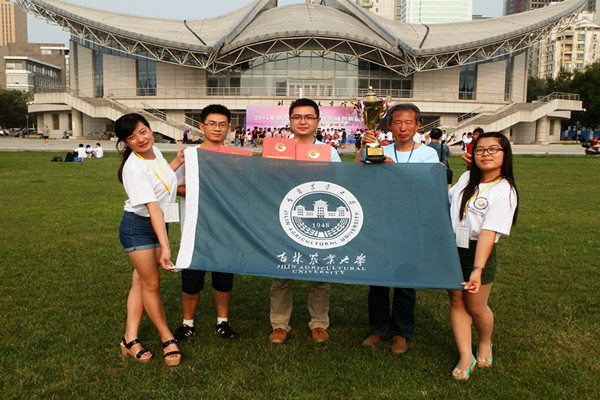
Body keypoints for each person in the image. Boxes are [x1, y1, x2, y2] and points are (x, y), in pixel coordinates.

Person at [355, 103, 439, 355]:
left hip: (411, 223)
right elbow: (356, 173)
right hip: (379, 222)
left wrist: (392, 167)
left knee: (405, 281)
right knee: (377, 280)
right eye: (398, 122)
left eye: (408, 123)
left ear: (418, 126)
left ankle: (401, 333)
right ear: (389, 125)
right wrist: (363, 148)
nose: (403, 128)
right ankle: (378, 329)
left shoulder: (428, 154)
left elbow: (428, 185)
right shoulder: (380, 148)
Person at [269, 98, 341, 345]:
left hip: (316, 219)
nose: (303, 121)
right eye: (297, 117)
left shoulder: (329, 151)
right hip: (284, 216)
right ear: (289, 120)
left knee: (319, 272)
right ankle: (279, 324)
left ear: (318, 121)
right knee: (281, 273)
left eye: (309, 117)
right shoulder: (277, 148)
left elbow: (340, 182)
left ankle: (319, 323)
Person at [447, 132, 519, 380]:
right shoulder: (467, 177)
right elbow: (448, 200)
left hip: (478, 252)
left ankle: (485, 341)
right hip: (452, 248)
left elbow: (488, 232)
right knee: (457, 301)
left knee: (476, 306)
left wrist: (477, 269)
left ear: (505, 154)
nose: (486, 154)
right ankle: (466, 355)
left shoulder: (504, 190)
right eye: (480, 149)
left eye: (493, 149)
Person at [115, 113, 184, 367]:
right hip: (138, 227)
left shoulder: (154, 151)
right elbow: (153, 208)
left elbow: (162, 179)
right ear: (125, 142)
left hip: (157, 224)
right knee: (152, 284)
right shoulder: (134, 167)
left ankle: (129, 339)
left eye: (143, 131)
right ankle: (167, 337)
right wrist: (166, 246)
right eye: (132, 137)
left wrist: (177, 162)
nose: (140, 139)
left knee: (140, 281)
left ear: (150, 129)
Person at [173, 104, 240, 342]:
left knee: (223, 279)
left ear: (229, 128)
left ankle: (222, 322)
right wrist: (199, 192)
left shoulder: (236, 157)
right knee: (191, 280)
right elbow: (173, 187)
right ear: (202, 126)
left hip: (226, 228)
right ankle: (187, 324)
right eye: (212, 123)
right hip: (195, 228)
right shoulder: (189, 155)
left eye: (222, 124)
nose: (217, 128)